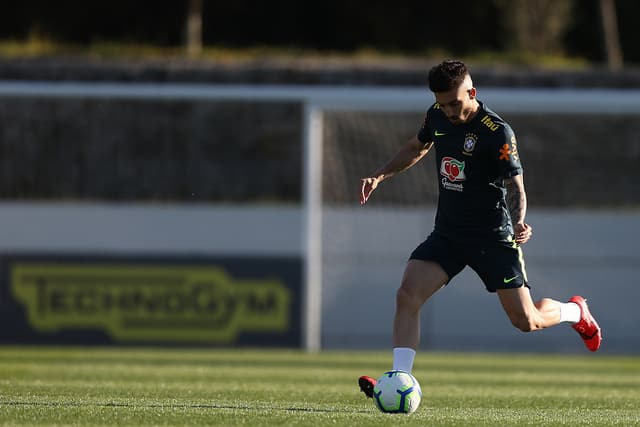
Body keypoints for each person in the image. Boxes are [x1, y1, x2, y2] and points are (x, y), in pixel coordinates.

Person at [357, 60, 602, 398]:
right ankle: (399, 380)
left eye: (455, 103)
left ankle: (576, 311)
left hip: (492, 237)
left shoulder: (497, 131)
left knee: (526, 321)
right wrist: (380, 175)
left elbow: (516, 186)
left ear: (471, 92)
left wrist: (518, 221)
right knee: (407, 294)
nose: (449, 111)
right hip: (448, 234)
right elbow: (417, 147)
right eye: (442, 104)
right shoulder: (437, 116)